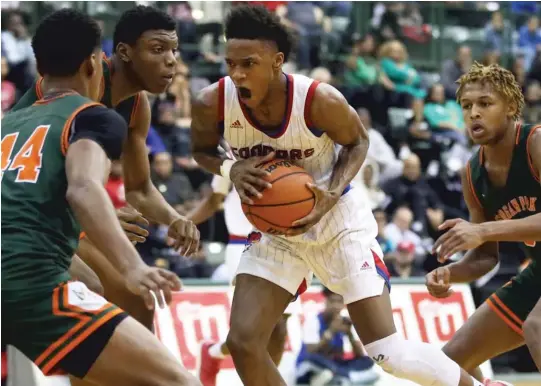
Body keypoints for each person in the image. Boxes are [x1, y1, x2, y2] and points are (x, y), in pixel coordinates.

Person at [190, 4, 509, 386]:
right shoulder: (213, 102)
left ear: (277, 62)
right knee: (243, 342)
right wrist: (230, 168)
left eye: (248, 63)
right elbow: (202, 150)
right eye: (230, 64)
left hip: (337, 224)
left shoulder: (317, 99)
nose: (237, 73)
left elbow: (358, 141)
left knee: (388, 353)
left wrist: (331, 191)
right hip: (277, 232)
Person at [1, 9, 200, 386]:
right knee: (105, 286)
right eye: (158, 49)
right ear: (115, 54)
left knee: (114, 294)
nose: (170, 60)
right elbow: (52, 178)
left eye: (174, 50)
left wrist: (174, 218)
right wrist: (101, 222)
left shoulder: (135, 106)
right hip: (39, 231)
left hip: (38, 224)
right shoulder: (61, 99)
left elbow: (139, 191)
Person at [426, 62, 541, 379]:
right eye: (466, 106)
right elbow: (486, 256)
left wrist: (483, 229)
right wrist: (450, 272)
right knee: (447, 365)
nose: (473, 113)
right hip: (538, 272)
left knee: (537, 327)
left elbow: (483, 233)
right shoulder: (473, 173)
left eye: (485, 104)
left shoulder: (535, 143)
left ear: (511, 108)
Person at [187, 171, 305, 386]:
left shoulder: (294, 149)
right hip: (243, 244)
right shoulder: (233, 156)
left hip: (286, 244)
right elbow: (214, 200)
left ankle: (213, 352)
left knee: (279, 328)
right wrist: (180, 222)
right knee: (254, 330)